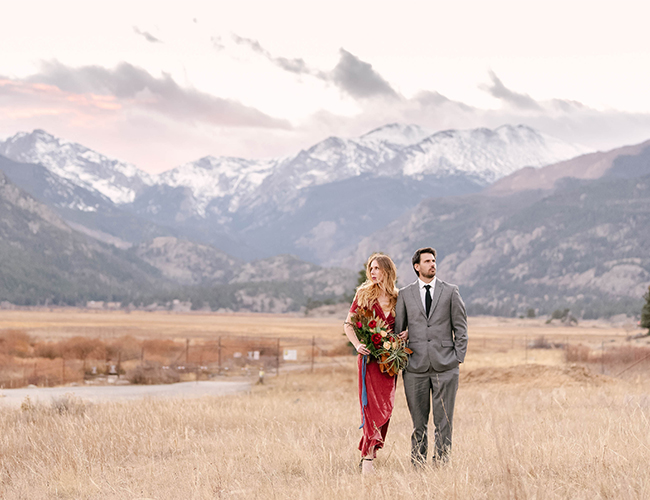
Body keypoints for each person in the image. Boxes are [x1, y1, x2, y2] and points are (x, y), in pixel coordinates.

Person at [394, 247, 468, 466]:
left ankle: (441, 464)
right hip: (414, 368)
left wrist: (457, 358)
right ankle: (418, 465)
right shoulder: (405, 294)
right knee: (419, 423)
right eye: (427, 261)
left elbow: (461, 328)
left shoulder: (451, 291)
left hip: (446, 366)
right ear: (417, 267)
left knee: (444, 421)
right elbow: (399, 330)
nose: (432, 264)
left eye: (434, 260)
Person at [343, 253, 400, 474]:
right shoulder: (363, 294)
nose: (373, 272)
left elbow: (401, 327)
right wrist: (358, 345)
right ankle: (367, 459)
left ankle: (371, 450)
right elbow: (349, 324)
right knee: (370, 408)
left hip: (388, 364)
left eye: (377, 268)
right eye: (371, 268)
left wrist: (401, 336)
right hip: (368, 361)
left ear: (387, 270)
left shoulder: (397, 298)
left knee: (386, 409)